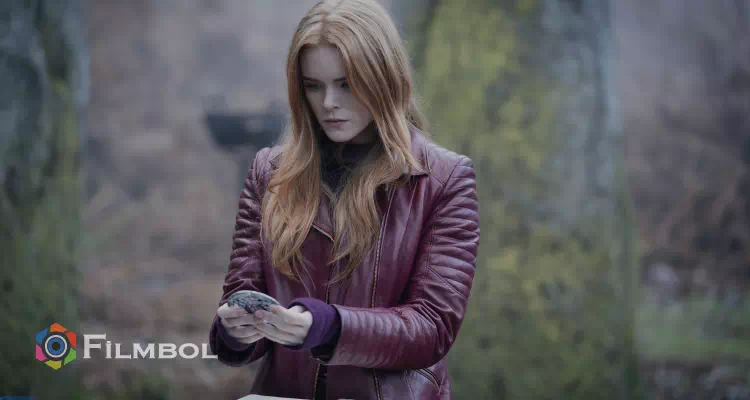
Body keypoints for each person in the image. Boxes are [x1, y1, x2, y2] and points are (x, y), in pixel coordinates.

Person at [209, 0, 480, 399]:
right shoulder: (269, 173)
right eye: (313, 85)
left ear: (383, 78)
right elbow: (240, 305)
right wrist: (237, 330)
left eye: (347, 84)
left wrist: (329, 326)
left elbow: (432, 328)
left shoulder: (443, 179)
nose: (328, 103)